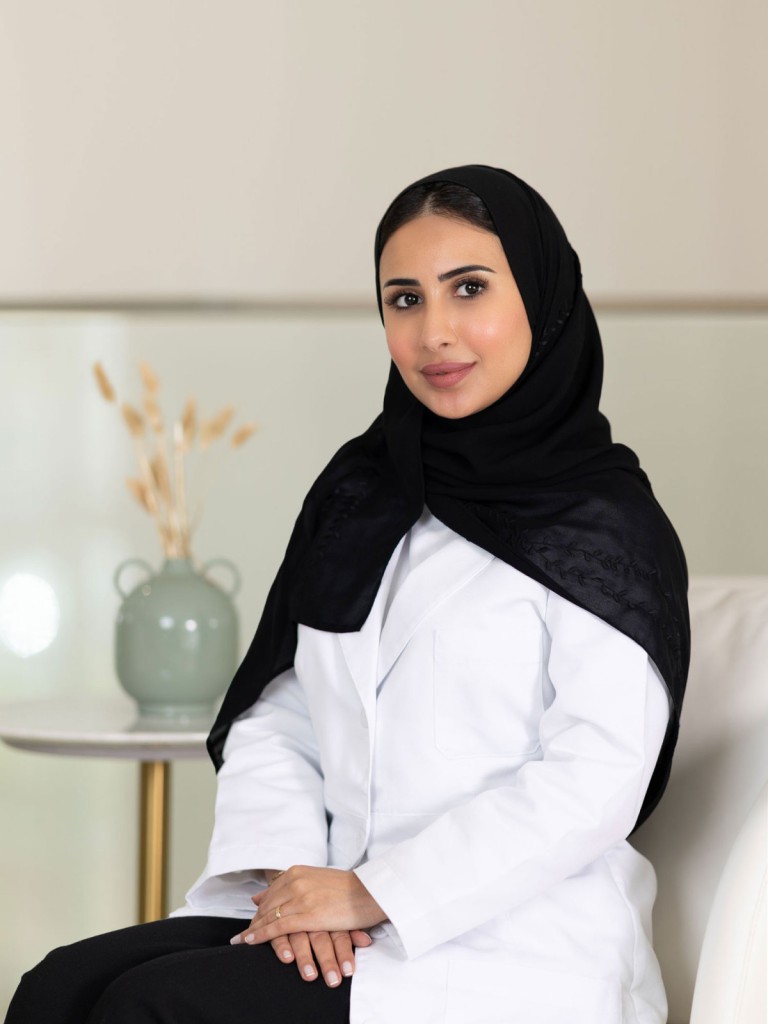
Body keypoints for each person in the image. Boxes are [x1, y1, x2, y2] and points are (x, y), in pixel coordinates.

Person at [5, 165, 689, 1024]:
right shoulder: (364, 495)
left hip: (502, 944)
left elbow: (594, 780)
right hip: (329, 914)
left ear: (543, 301)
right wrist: (299, 887)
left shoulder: (606, 525)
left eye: (468, 289)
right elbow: (278, 712)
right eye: (404, 300)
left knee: (159, 1008)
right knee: (56, 989)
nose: (434, 332)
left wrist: (376, 891)